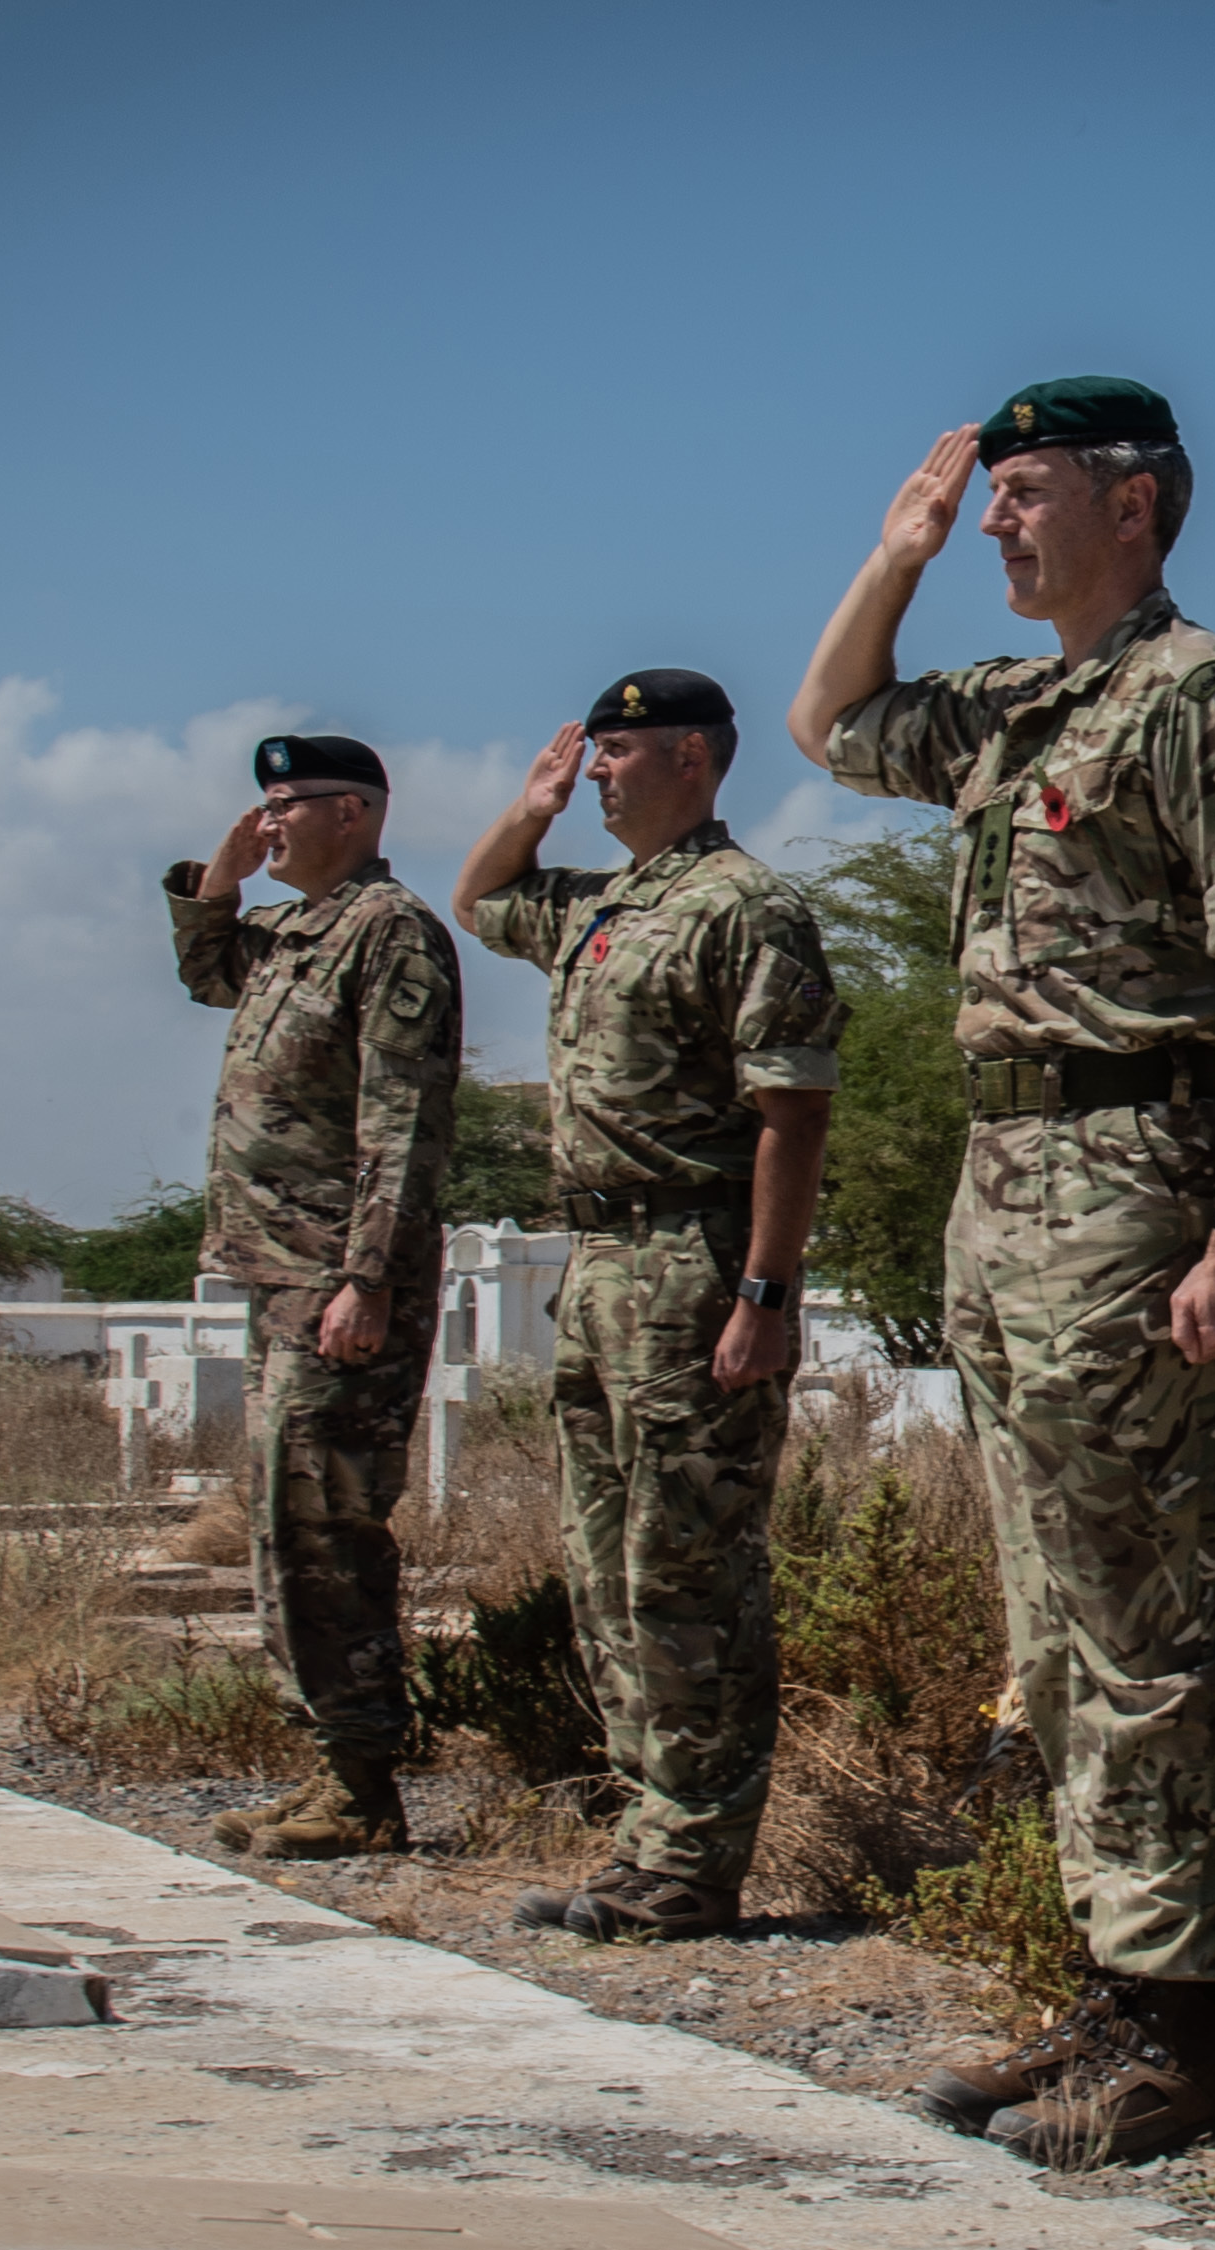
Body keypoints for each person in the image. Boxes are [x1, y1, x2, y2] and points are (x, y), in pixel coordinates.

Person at [786, 376, 1215, 2167]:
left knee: (1143, 1612)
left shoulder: (1203, 698)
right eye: (991, 496)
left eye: (1025, 492)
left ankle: (1181, 2024)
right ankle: (1116, 1978)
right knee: (1052, 1616)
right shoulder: (1017, 705)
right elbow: (829, 722)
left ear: (1136, 504)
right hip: (1005, 1180)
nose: (997, 522)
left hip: (1131, 1176)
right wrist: (895, 556)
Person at [451, 670, 842, 1938]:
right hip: (599, 1260)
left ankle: (694, 1859)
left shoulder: (745, 907)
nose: (598, 772)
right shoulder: (598, 904)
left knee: (688, 1564)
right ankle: (645, 1835)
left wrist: (763, 1290)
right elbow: (479, 900)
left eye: (617, 751)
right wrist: (532, 807)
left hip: (693, 1255)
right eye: (593, 754)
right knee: (605, 1564)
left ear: (690, 756)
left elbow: (792, 1111)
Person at [167, 734, 465, 1861]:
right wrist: (224, 875)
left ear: (355, 813)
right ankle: (329, 1765)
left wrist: (367, 1279)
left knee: (327, 1526)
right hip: (280, 1273)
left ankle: (363, 1782)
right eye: (262, 804)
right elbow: (206, 971)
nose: (269, 820)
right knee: (283, 1529)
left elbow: (402, 1118)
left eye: (289, 804)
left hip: (339, 1279)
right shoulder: (297, 932)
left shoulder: (390, 931)